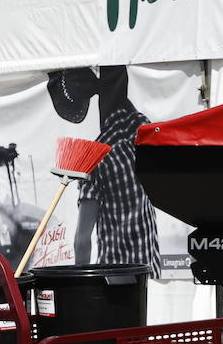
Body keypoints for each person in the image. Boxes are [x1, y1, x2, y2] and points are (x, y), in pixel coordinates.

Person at [47, 65, 164, 273]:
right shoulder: (142, 130)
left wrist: (80, 281)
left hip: (116, 274)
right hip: (149, 268)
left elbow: (82, 239)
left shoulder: (94, 159)